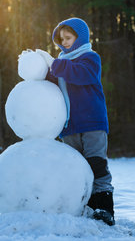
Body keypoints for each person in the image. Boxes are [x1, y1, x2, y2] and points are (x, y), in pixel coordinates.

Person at [36, 17, 115, 226]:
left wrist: (56, 65)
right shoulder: (61, 64)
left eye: (69, 38)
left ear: (80, 37)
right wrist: (39, 68)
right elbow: (52, 82)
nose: (65, 43)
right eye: (62, 39)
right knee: (75, 168)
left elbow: (80, 74)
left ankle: (104, 208)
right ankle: (82, 207)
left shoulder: (90, 58)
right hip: (69, 126)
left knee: (96, 163)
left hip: (93, 123)